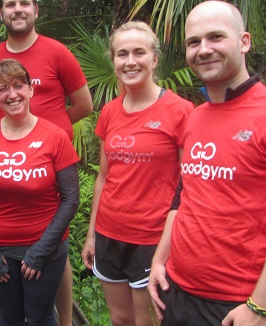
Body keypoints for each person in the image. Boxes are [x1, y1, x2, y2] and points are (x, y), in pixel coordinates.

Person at [147, 0, 266, 326]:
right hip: (177, 295)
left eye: (216, 37)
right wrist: (159, 261)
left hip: (237, 307)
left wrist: (259, 307)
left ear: (244, 42)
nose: (203, 49)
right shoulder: (196, 117)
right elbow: (183, 195)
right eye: (193, 42)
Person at [0, 0, 93, 325]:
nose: (18, 10)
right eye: (11, 5)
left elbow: (84, 105)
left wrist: (49, 133)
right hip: (7, 164)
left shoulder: (57, 52)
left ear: (35, 10)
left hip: (51, 165)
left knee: (56, 244)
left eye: (24, 4)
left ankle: (65, 320)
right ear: (1, 14)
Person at [79, 21, 194, 326]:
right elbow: (104, 176)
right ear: (114, 61)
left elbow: (190, 185)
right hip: (109, 234)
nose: (130, 61)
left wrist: (173, 244)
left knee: (147, 323)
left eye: (139, 53)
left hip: (152, 238)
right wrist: (91, 234)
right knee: (120, 319)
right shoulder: (109, 112)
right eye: (122, 54)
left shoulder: (180, 111)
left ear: (154, 59)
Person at [0, 58, 80, 326]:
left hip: (46, 247)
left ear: (31, 90)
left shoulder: (55, 136)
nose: (12, 94)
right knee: (10, 317)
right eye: (3, 88)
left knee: (39, 317)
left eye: (18, 85)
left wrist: (41, 251)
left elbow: (70, 198)